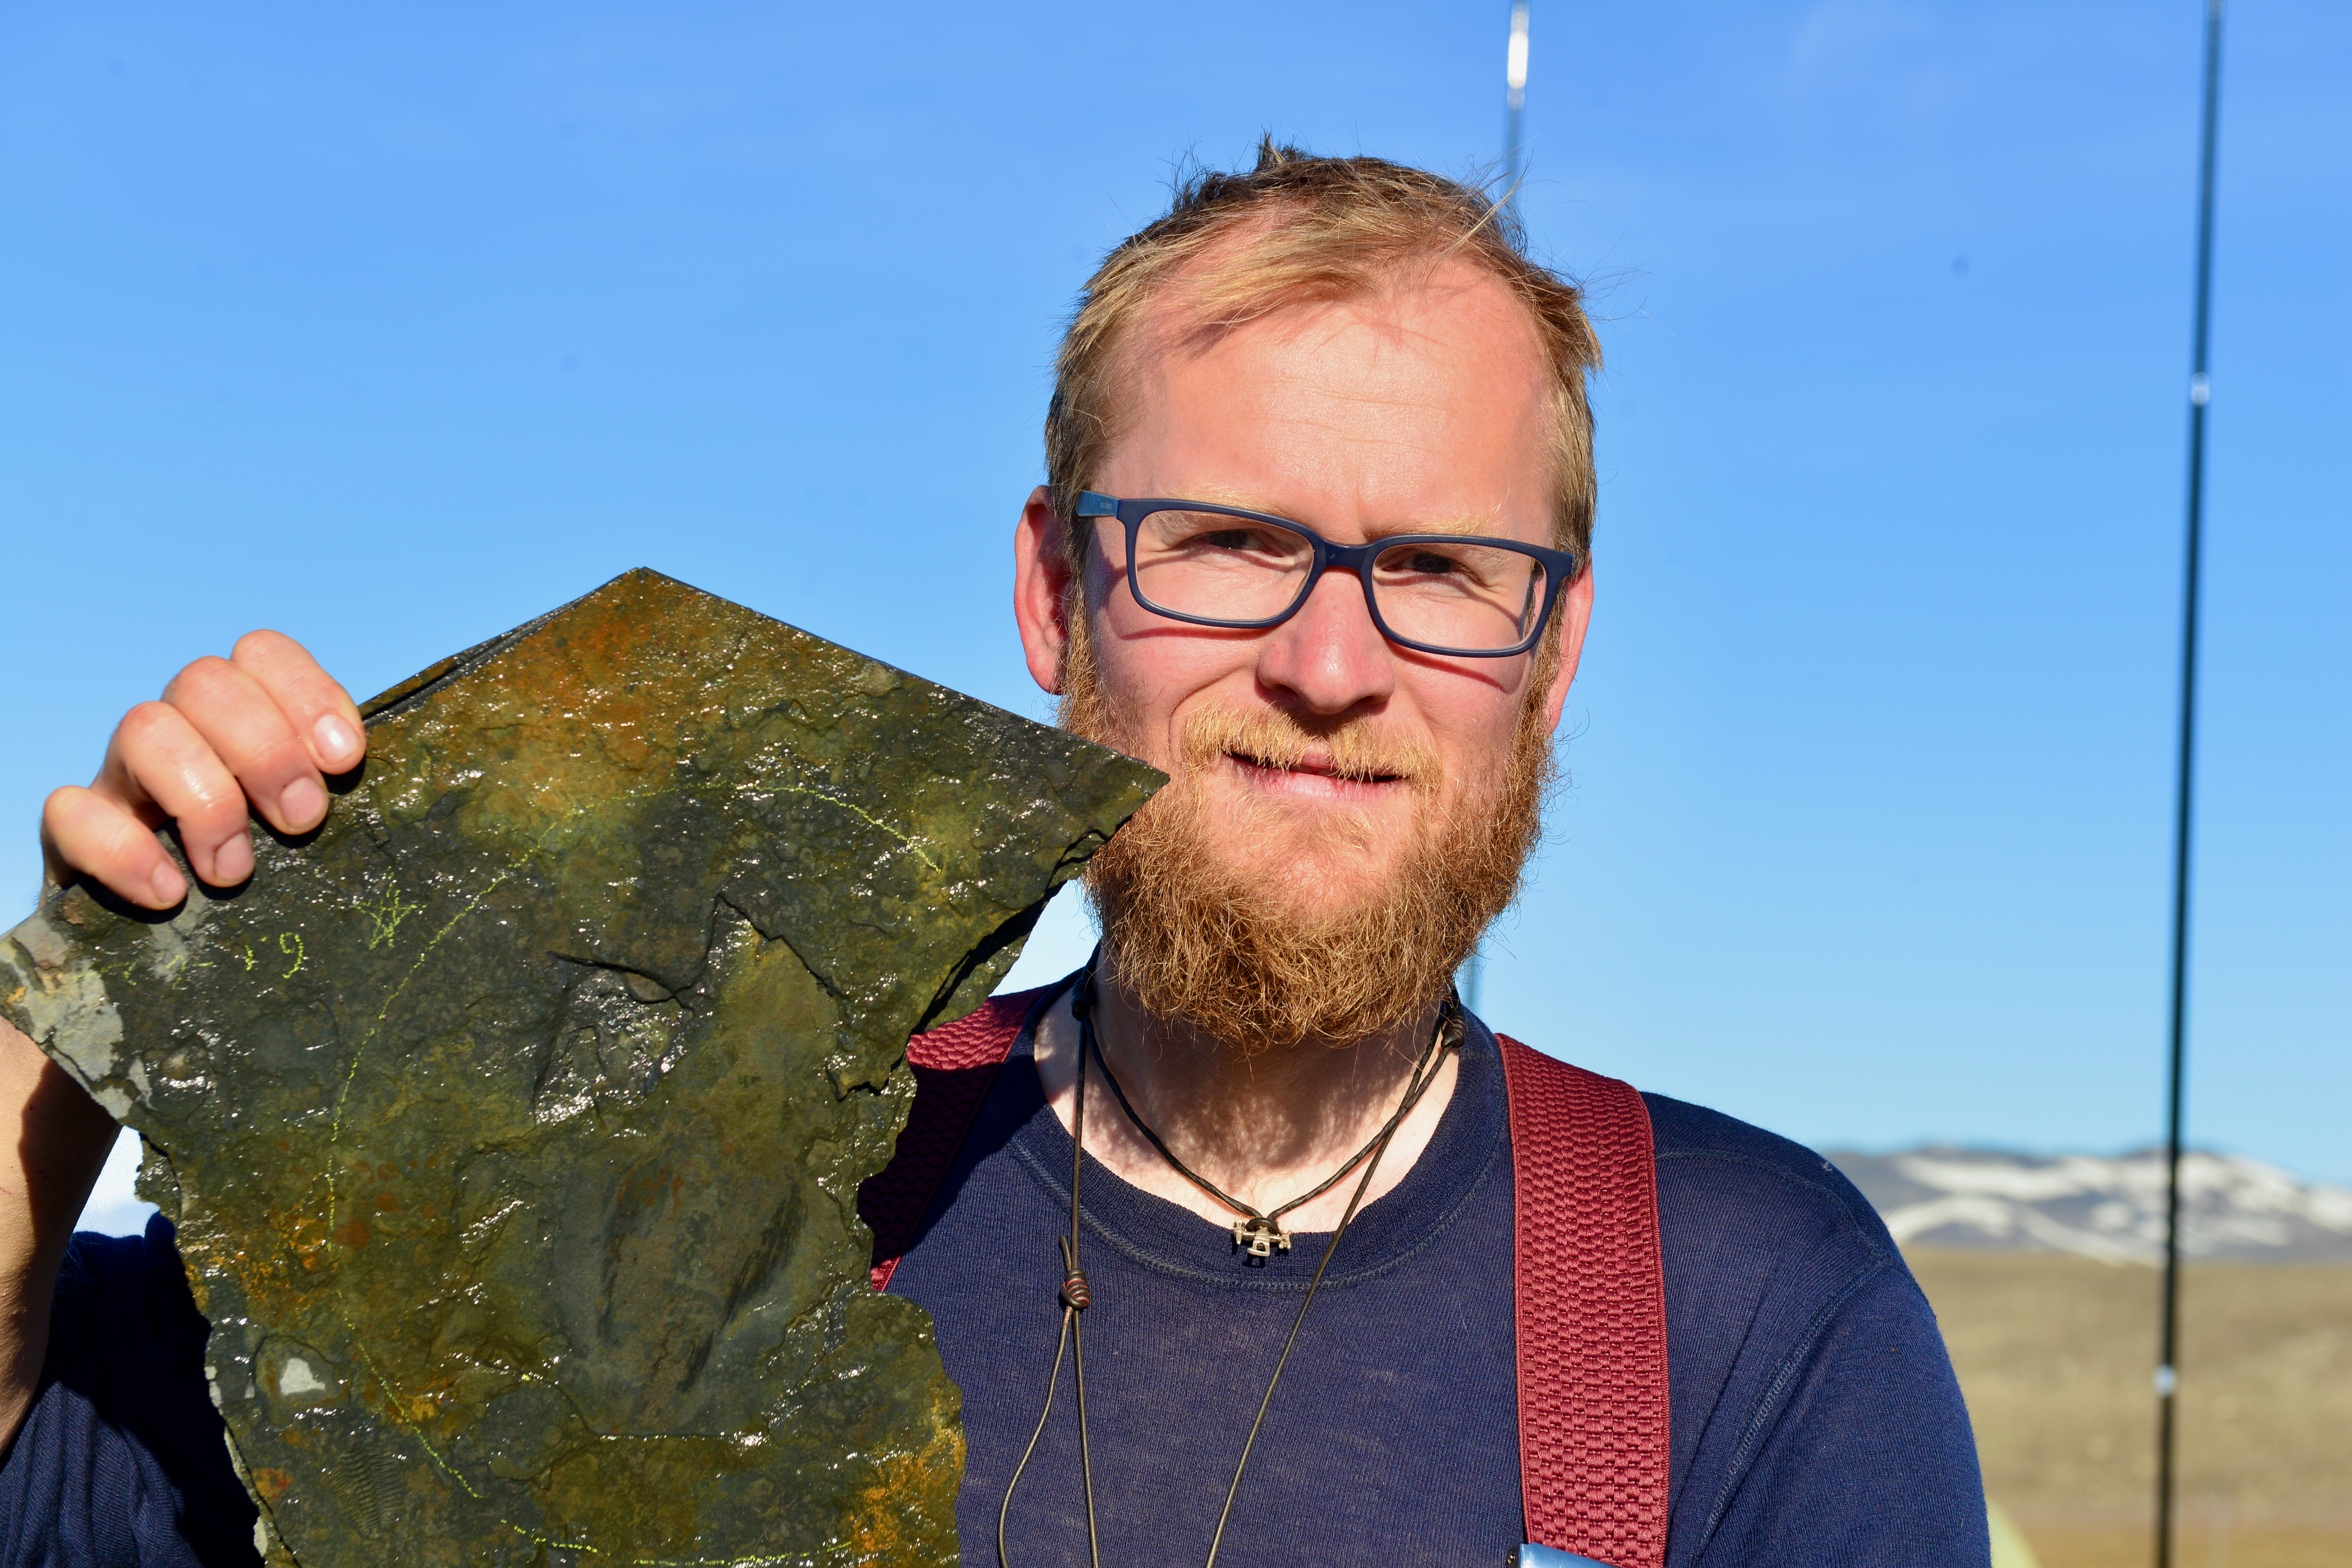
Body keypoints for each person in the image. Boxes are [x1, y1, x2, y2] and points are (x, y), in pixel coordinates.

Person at [0, 143, 1987, 1567]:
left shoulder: (1744, 1314)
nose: (1327, 663)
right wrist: (101, 979)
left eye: (1444, 574)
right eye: (1232, 542)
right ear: (1056, 593)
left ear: (1548, 659)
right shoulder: (670, 1158)